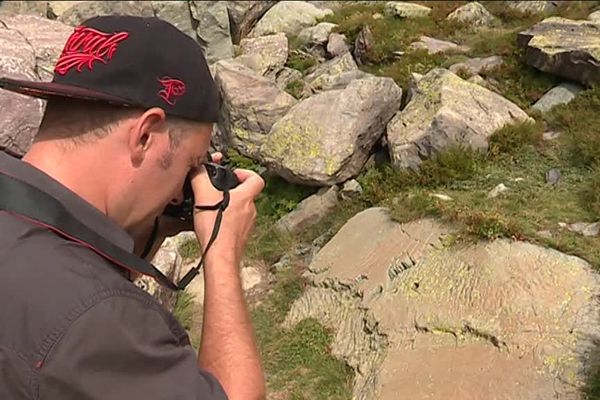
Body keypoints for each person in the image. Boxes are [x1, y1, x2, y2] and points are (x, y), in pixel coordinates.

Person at [0, 15, 266, 400]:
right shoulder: (99, 318)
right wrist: (221, 252)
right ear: (145, 134)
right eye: (190, 165)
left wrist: (145, 229)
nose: (180, 193)